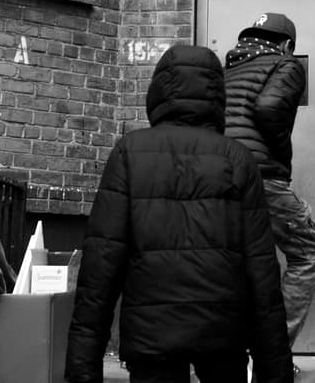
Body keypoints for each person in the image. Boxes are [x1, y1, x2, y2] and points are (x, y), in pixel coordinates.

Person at [65, 44, 292, 383]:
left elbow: (100, 266)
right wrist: (275, 371)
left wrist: (83, 368)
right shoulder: (238, 158)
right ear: (217, 95)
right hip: (223, 335)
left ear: (158, 91)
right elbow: (262, 272)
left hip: (151, 338)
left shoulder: (129, 153)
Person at [223, 14, 315, 383]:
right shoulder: (286, 63)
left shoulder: (228, 69)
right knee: (308, 249)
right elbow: (268, 110)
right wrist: (281, 156)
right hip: (261, 177)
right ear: (285, 44)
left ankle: (231, 359)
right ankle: (271, 357)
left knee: (236, 263)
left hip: (218, 177)